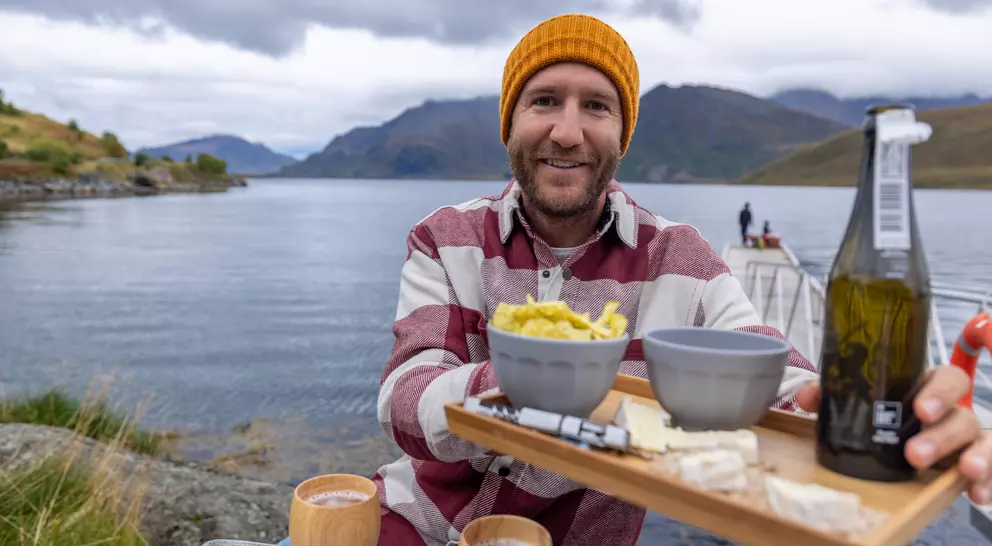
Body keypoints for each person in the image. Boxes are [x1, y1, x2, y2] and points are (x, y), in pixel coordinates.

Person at [373, 13, 991, 546]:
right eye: (543, 101)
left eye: (596, 105)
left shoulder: (680, 257)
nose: (567, 132)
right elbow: (402, 398)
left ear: (623, 133)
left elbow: (775, 377)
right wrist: (524, 375)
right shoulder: (445, 236)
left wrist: (889, 412)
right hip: (416, 527)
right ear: (510, 123)